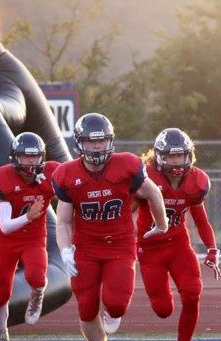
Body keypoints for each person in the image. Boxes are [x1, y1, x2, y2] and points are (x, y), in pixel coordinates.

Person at [52, 113, 169, 341]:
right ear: (79, 142)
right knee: (86, 309)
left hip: (120, 244)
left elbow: (153, 193)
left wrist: (162, 225)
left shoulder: (126, 165)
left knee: (116, 305)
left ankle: (112, 312)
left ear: (110, 140)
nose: (97, 146)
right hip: (85, 247)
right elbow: (64, 221)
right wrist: (65, 250)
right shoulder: (67, 174)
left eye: (101, 140)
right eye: (91, 141)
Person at [136, 128, 221, 341]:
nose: (176, 161)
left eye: (180, 155)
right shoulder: (146, 177)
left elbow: (201, 221)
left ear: (189, 155)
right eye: (171, 156)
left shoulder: (196, 181)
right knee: (163, 309)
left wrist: (212, 247)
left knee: (193, 293)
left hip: (178, 245)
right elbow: (126, 211)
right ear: (160, 157)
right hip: (150, 248)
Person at [0, 132, 60, 341]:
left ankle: (37, 295)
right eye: (25, 157)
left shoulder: (51, 173)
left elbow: (72, 188)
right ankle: (1, 332)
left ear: (42, 157)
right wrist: (28, 217)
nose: (30, 162)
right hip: (7, 241)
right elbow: (5, 226)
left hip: (34, 239)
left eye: (34, 156)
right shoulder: (4, 176)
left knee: (37, 277)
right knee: (1, 294)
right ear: (15, 158)